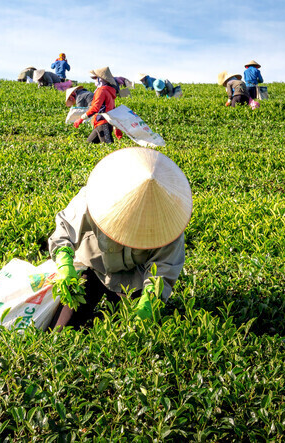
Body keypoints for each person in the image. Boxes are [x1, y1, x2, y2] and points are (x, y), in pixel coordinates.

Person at [48, 147, 191, 329]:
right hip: (93, 267)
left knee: (131, 331)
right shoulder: (94, 196)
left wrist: (149, 300)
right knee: (62, 328)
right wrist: (64, 262)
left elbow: (164, 268)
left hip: (134, 278)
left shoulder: (170, 223)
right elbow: (65, 228)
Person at [74, 67, 120, 143]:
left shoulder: (101, 91)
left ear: (100, 79)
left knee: (108, 146)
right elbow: (113, 110)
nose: (95, 80)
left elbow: (95, 108)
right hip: (101, 124)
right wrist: (116, 127)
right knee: (89, 143)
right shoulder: (110, 91)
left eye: (96, 78)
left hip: (103, 123)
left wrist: (81, 118)